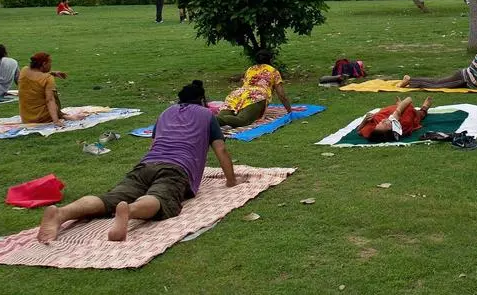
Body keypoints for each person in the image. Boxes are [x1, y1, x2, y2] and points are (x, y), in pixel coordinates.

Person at [37, 80, 241, 243]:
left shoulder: (165, 113)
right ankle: (130, 211)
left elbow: (154, 144)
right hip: (177, 168)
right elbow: (220, 149)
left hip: (146, 165)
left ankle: (63, 213)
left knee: (111, 197)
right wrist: (231, 181)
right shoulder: (207, 115)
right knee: (161, 198)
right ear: (202, 99)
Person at [400, 27, 477, 90]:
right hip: (465, 78)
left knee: (438, 83)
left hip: (470, 80)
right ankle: (410, 80)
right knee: (437, 84)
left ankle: (411, 80)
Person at [217, 49, 292, 127]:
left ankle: (210, 121)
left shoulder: (250, 69)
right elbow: (281, 95)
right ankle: (218, 121)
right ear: (271, 59)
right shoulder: (274, 71)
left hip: (237, 94)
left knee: (220, 117)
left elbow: (244, 83)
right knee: (242, 120)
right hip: (256, 96)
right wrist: (290, 111)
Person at [18, 52, 68, 126]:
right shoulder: (47, 78)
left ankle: (62, 115)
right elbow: (49, 100)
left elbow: (36, 76)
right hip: (41, 118)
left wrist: (52, 73)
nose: (51, 65)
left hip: (26, 118)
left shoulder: (24, 70)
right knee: (53, 94)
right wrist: (56, 121)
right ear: (44, 64)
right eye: (50, 63)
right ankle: (62, 115)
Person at [357, 97, 433, 142]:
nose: (382, 120)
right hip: (407, 115)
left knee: (377, 118)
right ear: (392, 128)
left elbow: (359, 131)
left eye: (379, 124)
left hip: (390, 113)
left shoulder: (374, 131)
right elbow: (409, 99)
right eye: (385, 124)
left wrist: (364, 121)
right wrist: (399, 109)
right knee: (415, 113)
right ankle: (424, 108)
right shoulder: (404, 123)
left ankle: (399, 105)